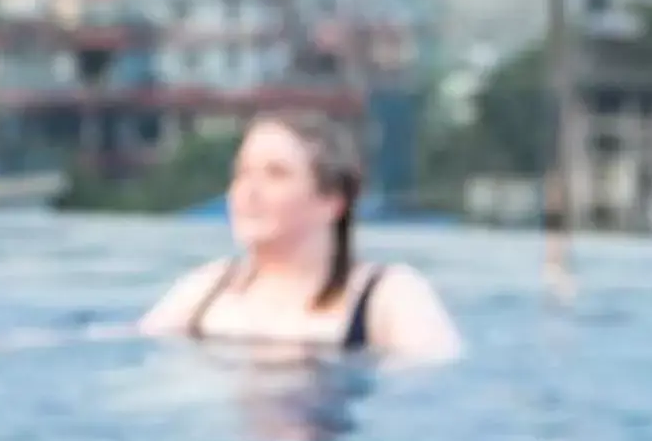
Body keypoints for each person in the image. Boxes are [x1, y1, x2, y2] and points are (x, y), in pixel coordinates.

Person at [138, 113, 462, 362]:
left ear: (332, 201)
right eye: (241, 173)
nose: (248, 192)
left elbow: (434, 389)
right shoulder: (204, 290)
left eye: (276, 174)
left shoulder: (392, 296)